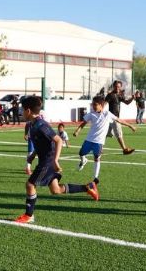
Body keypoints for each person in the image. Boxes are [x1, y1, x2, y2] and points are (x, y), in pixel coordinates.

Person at [14, 96, 98, 224]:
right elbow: (42, 143)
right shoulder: (32, 125)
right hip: (45, 159)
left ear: (28, 111)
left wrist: (55, 160)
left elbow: (58, 140)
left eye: (22, 109)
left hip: (48, 161)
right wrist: (33, 155)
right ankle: (87, 187)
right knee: (56, 190)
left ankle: (29, 215)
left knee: (30, 184)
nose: (21, 112)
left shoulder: (41, 125)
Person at [73, 94, 137, 184]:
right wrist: (77, 131)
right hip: (89, 139)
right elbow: (83, 123)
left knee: (97, 158)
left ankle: (95, 178)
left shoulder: (107, 114)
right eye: (92, 104)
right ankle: (83, 160)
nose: (93, 106)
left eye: (95, 105)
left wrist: (130, 125)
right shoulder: (91, 114)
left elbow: (119, 120)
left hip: (99, 142)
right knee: (81, 153)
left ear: (101, 105)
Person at [105, 80, 136, 155]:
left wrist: (132, 98)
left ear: (120, 87)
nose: (117, 88)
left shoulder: (119, 95)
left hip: (115, 118)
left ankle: (98, 147)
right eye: (116, 86)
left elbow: (127, 102)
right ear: (113, 86)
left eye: (118, 87)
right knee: (119, 133)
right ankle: (125, 149)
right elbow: (104, 103)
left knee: (105, 134)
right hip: (112, 117)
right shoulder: (110, 95)